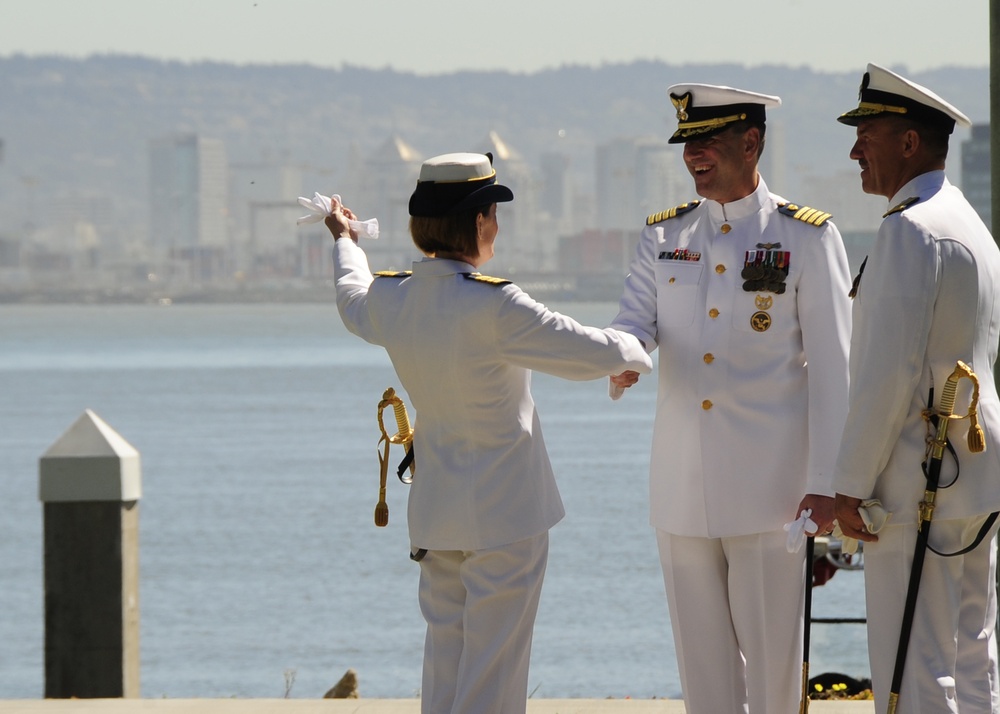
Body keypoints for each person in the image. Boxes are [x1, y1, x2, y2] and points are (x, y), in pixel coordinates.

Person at [325, 152, 653, 714]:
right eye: (493, 214)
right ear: (478, 222)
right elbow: (592, 349)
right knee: (493, 678)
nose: (497, 226)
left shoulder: (392, 298)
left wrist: (345, 239)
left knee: (445, 667)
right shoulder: (495, 304)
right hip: (505, 516)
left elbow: (350, 294)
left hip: (436, 511)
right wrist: (637, 348)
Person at [609, 83, 853, 713]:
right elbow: (633, 322)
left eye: (708, 142)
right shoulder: (664, 237)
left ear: (751, 141)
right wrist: (621, 357)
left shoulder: (806, 238)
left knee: (774, 679)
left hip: (773, 496)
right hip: (682, 494)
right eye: (687, 144)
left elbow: (835, 372)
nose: (694, 156)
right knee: (704, 682)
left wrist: (828, 484)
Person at [832, 63, 1000, 714]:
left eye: (866, 134)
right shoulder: (970, 227)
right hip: (975, 477)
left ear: (908, 143)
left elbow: (885, 379)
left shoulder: (911, 230)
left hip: (917, 483)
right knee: (972, 655)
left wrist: (849, 487)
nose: (854, 150)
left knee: (915, 665)